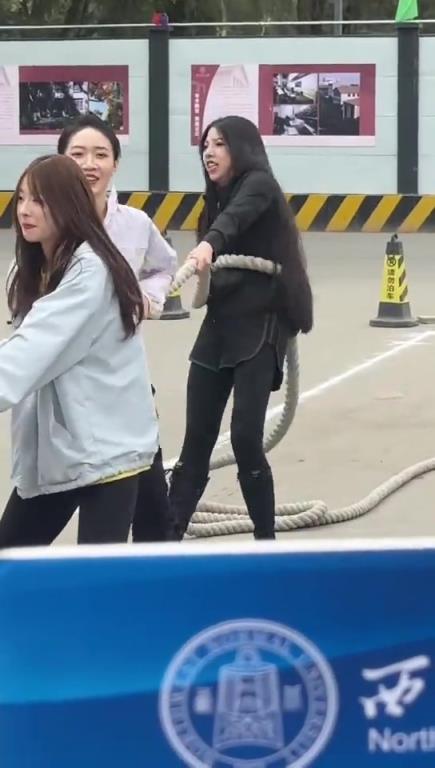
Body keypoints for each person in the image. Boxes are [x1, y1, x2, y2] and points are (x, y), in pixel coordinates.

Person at [0, 154, 159, 548]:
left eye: (39, 200)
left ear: (68, 203)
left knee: (96, 578)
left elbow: (31, 352)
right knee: (10, 562)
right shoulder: (29, 269)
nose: (25, 210)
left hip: (106, 454)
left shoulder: (91, 271)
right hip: (59, 454)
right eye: (21, 198)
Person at [169, 115, 313, 540]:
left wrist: (208, 244)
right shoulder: (214, 199)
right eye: (205, 145)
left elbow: (235, 219)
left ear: (242, 148)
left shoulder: (260, 186)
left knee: (246, 437)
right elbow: (223, 222)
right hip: (221, 320)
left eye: (219, 144)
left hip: (262, 319)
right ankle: (166, 541)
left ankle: (265, 542)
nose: (209, 153)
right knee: (196, 441)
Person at [57, 115, 177, 542]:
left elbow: (165, 267)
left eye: (101, 154)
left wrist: (149, 298)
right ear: (60, 163)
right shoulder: (47, 222)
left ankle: (155, 565)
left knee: (151, 501)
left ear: (115, 164)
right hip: (67, 385)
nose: (90, 164)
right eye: (78, 154)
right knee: (51, 497)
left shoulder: (135, 224)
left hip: (126, 381)